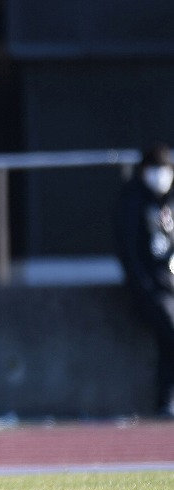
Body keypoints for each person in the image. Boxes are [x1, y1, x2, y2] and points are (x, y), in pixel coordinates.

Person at [114, 142, 174, 417]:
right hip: (150, 288)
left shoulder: (168, 201)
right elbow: (129, 250)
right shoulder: (132, 200)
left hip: (169, 284)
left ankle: (166, 399)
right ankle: (166, 399)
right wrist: (144, 287)